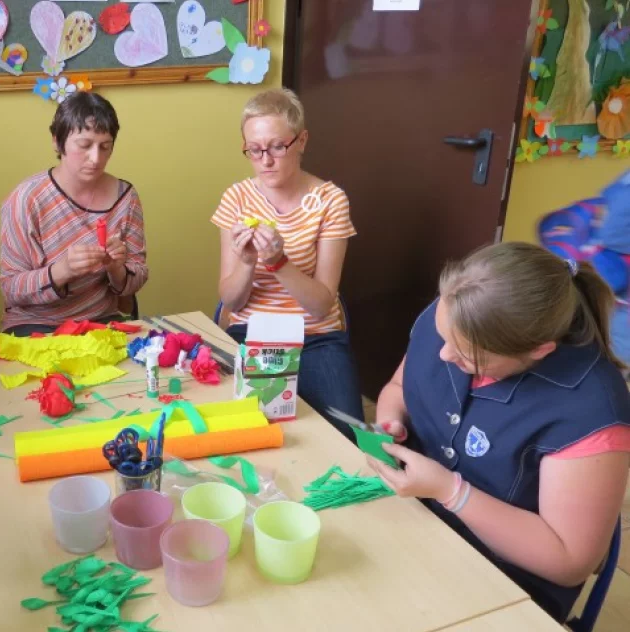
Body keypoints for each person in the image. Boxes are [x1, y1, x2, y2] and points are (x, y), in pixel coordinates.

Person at [368, 242, 630, 622]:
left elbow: (569, 560)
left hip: (504, 577)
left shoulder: (591, 411)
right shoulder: (454, 316)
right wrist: (390, 424)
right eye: (444, 338)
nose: (444, 355)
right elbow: (396, 390)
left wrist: (451, 493)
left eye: (465, 354)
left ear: (538, 351)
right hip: (415, 518)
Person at [212, 88, 363, 438]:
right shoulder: (236, 198)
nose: (265, 160)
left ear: (301, 140)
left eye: (277, 147)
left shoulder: (329, 200)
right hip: (252, 332)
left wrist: (279, 262)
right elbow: (230, 301)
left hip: (315, 336)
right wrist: (248, 263)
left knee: (349, 437)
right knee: (251, 432)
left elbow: (322, 303)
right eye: (254, 149)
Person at [0, 92, 148, 336]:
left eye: (105, 147)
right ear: (57, 142)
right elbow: (10, 288)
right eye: (84, 145)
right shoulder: (27, 199)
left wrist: (116, 268)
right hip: (36, 324)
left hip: (100, 321)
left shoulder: (126, 198)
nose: (96, 158)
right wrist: (63, 270)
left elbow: (138, 276)